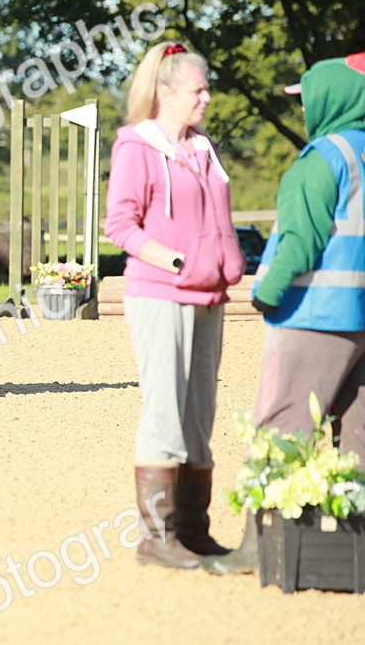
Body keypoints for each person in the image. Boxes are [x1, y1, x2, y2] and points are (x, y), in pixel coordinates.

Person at [204, 51, 365, 576]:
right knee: (359, 438)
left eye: (307, 100)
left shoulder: (322, 158)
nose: (303, 110)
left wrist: (267, 292)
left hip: (314, 313)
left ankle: (262, 546)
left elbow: (300, 239)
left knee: (284, 426)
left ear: (333, 99)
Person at [104, 41, 247, 570]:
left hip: (210, 296)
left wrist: (225, 262)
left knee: (199, 414)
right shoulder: (136, 147)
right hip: (161, 293)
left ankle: (193, 529)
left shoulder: (205, 148)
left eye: (207, 89)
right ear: (166, 92)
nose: (206, 98)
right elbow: (120, 225)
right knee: (165, 411)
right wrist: (177, 261)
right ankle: (156, 537)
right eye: (197, 90)